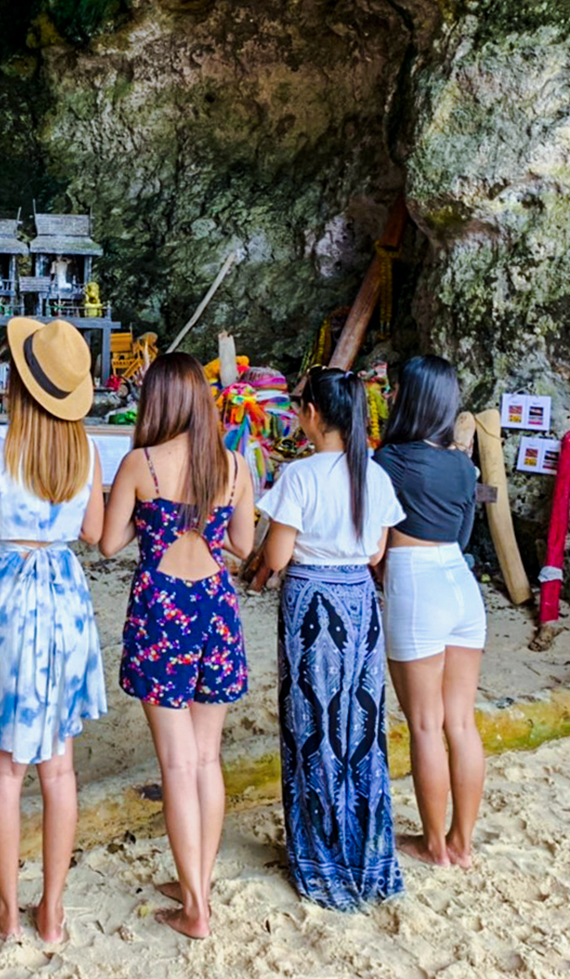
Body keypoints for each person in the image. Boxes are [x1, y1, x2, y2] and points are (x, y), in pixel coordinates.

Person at [0, 317, 107, 944]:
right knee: (59, 770)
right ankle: (53, 913)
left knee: (4, 770)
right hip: (63, 595)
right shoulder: (84, 448)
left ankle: (9, 914)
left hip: (8, 595)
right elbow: (94, 531)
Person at [99, 352, 254, 939]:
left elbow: (110, 543)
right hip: (215, 610)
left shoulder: (142, 464)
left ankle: (195, 908)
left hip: (162, 614)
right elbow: (242, 544)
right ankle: (198, 881)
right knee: (207, 759)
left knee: (177, 763)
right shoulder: (235, 466)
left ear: (158, 401)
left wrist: (149, 519)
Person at [257, 365, 406, 910]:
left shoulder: (299, 477)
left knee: (312, 726)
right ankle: (365, 851)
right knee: (359, 726)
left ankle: (318, 851)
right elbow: (374, 554)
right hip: (360, 605)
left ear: (313, 415)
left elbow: (275, 558)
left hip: (311, 606)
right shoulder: (376, 477)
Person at [374, 355, 486, 868]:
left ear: (411, 397)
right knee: (460, 723)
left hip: (415, 582)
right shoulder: (465, 466)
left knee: (424, 724)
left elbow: (376, 536)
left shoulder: (390, 461)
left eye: (397, 388)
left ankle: (434, 844)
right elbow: (463, 537)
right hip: (461, 586)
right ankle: (463, 841)